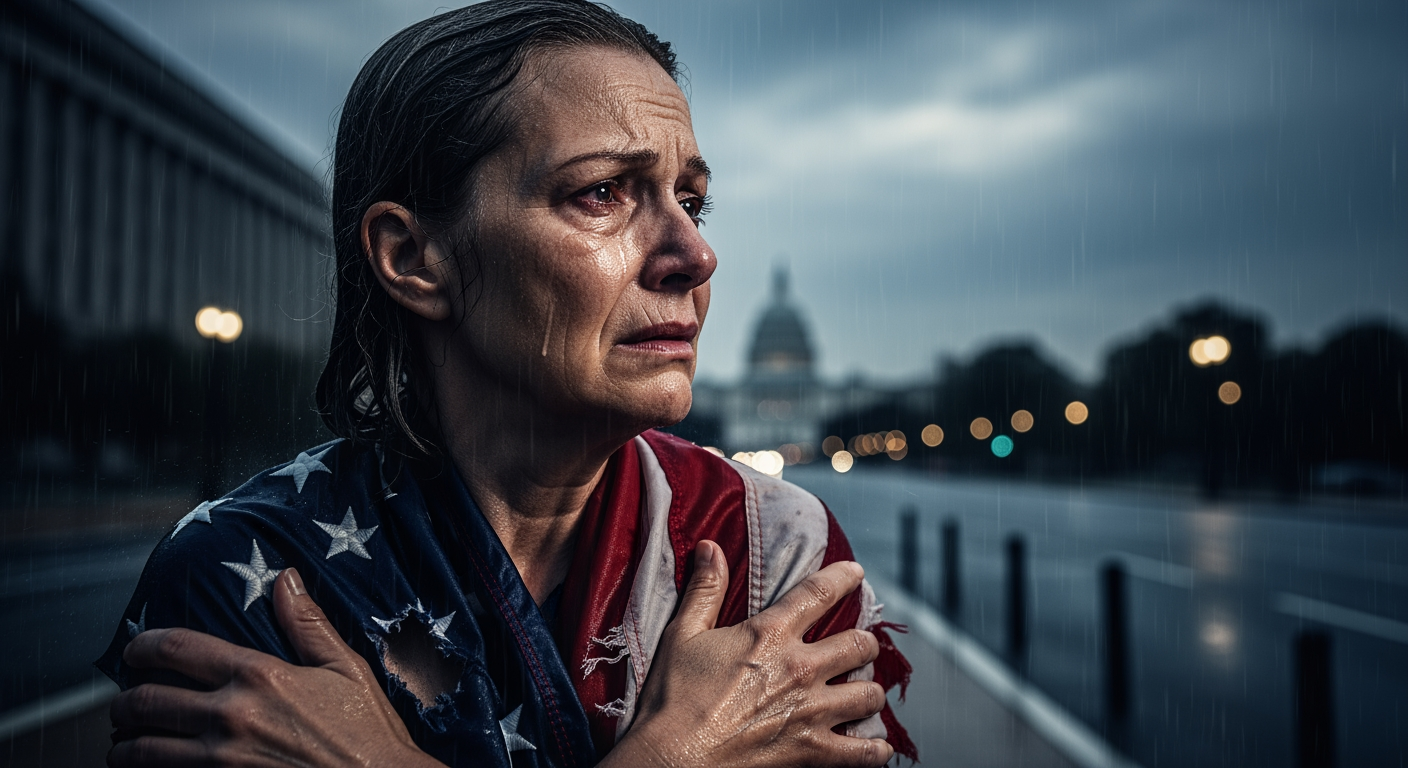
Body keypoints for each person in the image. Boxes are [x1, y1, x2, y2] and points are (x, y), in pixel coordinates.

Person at [96, 1, 916, 766]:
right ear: (415, 258)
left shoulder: (773, 548)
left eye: (691, 203)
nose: (696, 257)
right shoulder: (247, 573)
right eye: (602, 193)